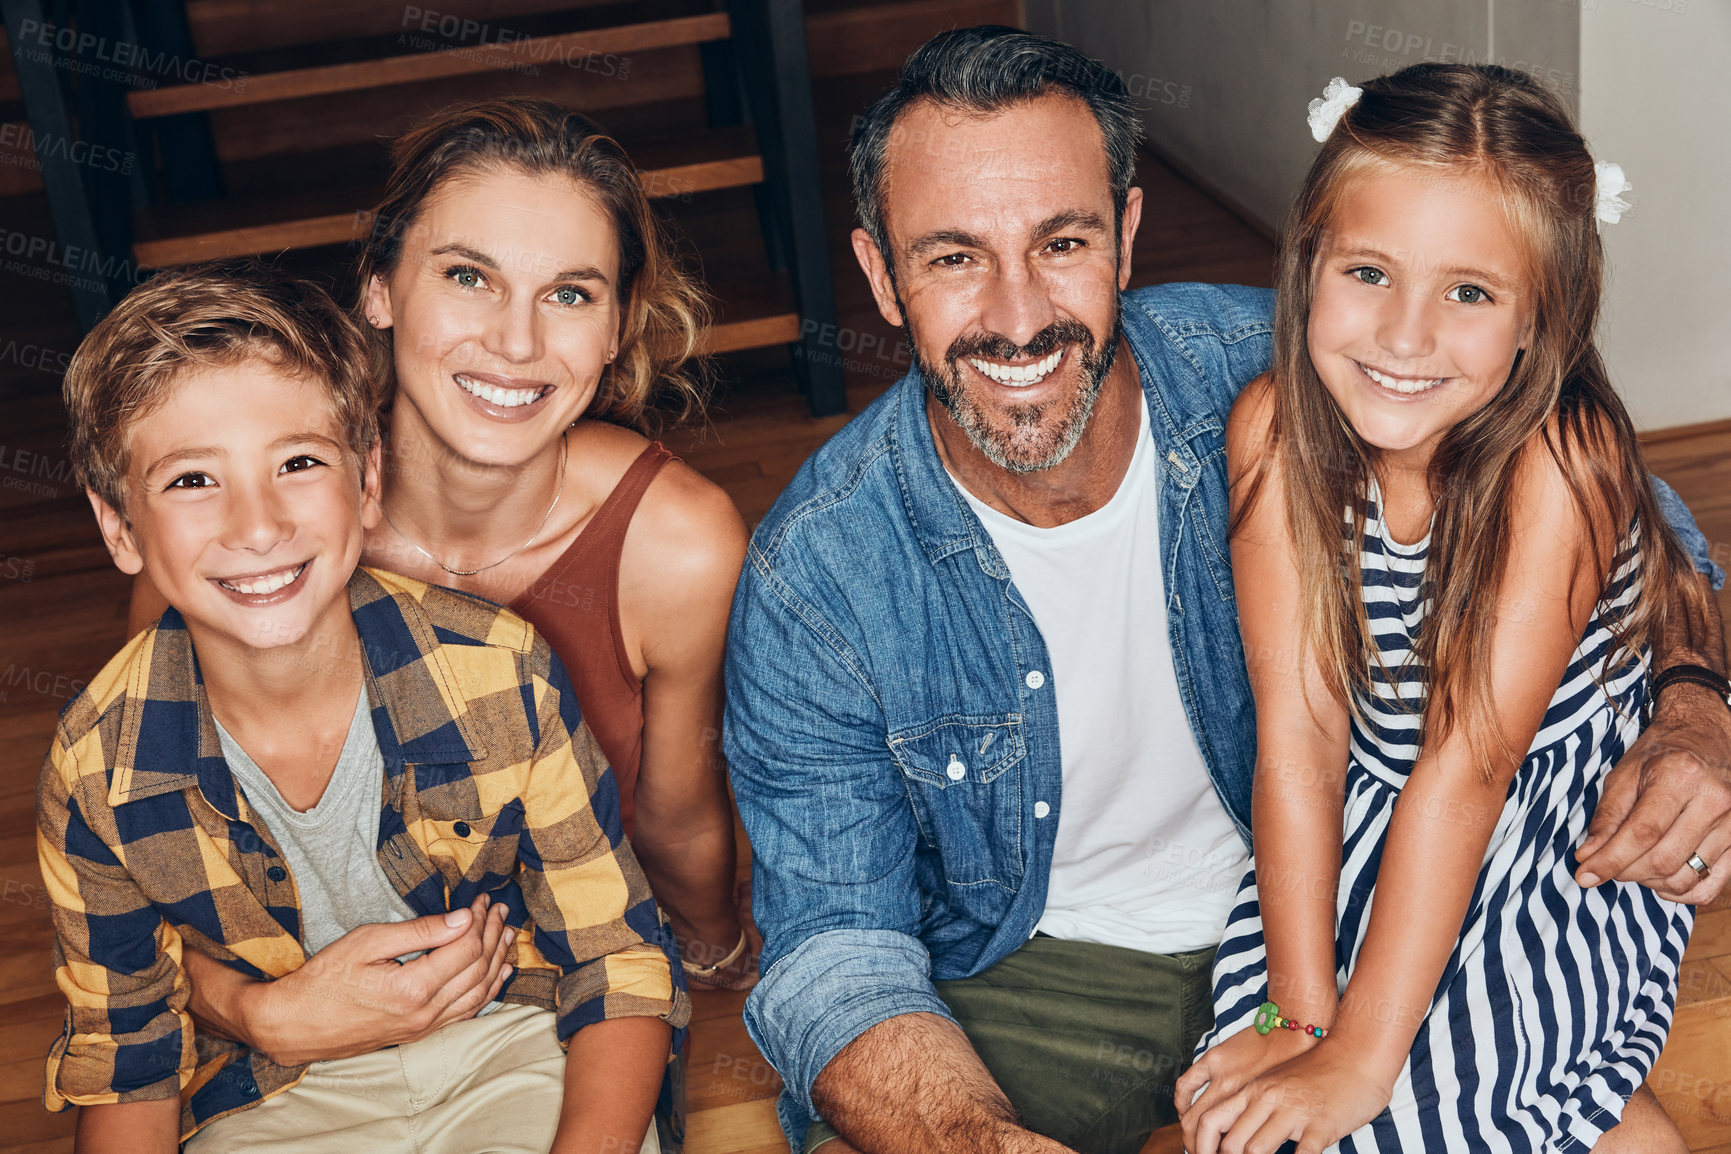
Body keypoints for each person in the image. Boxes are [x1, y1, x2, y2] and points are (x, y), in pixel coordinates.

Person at [722, 27, 1731, 1154]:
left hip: (1442, 875)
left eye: (1061, 240)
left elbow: (1640, 525)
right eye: (954, 256)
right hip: (1088, 964)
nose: (1015, 315)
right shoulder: (822, 574)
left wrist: (1695, 698)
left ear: (1126, 237)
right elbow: (832, 945)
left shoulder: (1295, 364)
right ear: (879, 276)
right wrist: (981, 1135)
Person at [125, 101, 753, 1072]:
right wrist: (260, 1013)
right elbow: (135, 861)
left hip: (559, 1005)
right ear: (380, 287)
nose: (514, 340)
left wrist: (722, 962)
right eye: (469, 276)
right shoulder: (244, 529)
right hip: (309, 1029)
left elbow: (679, 815)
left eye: (571, 294)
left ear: (620, 323)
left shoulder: (677, 541)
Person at [42, 261, 689, 1153]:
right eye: (193, 480)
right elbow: (128, 1057)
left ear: (368, 480)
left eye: (299, 462)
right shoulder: (96, 771)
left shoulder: (501, 674)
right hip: (271, 1093)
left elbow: (615, 961)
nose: (257, 525)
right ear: (119, 526)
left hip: (514, 1047)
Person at [1177, 64, 1705, 1154]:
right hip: (1379, 825)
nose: (1404, 338)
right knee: (1265, 1102)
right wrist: (1304, 1014)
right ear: (1309, 261)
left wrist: (1360, 1064)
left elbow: (1469, 772)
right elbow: (1303, 740)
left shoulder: (1564, 459)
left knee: (1410, 1108)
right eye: (1369, 271)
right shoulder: (1273, 434)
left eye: (1470, 292)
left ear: (1539, 321)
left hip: (1536, 844)